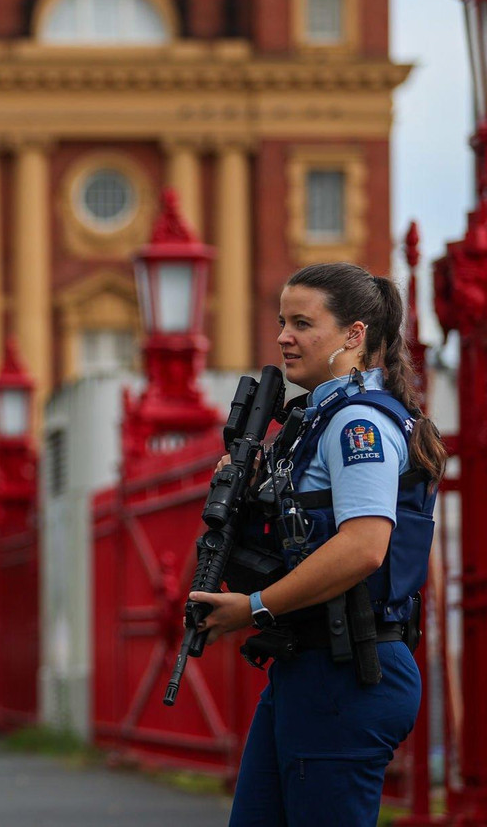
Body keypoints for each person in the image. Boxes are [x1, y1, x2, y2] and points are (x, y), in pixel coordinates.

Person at [188, 262, 446, 826]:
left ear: (354, 335)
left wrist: (254, 607)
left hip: (349, 672)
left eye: (302, 323)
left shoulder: (359, 425)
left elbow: (364, 548)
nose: (284, 335)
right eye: (283, 321)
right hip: (310, 665)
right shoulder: (315, 420)